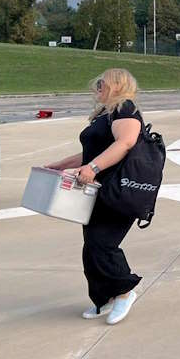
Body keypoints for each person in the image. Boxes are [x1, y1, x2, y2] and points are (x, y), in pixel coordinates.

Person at [45, 68, 144, 324]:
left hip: (118, 190)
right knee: (91, 247)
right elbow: (90, 152)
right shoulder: (105, 114)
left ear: (116, 85)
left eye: (102, 83)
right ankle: (104, 298)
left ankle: (124, 292)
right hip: (97, 190)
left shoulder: (126, 110)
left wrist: (94, 168)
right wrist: (61, 165)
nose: (97, 87)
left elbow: (126, 142)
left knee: (103, 244)